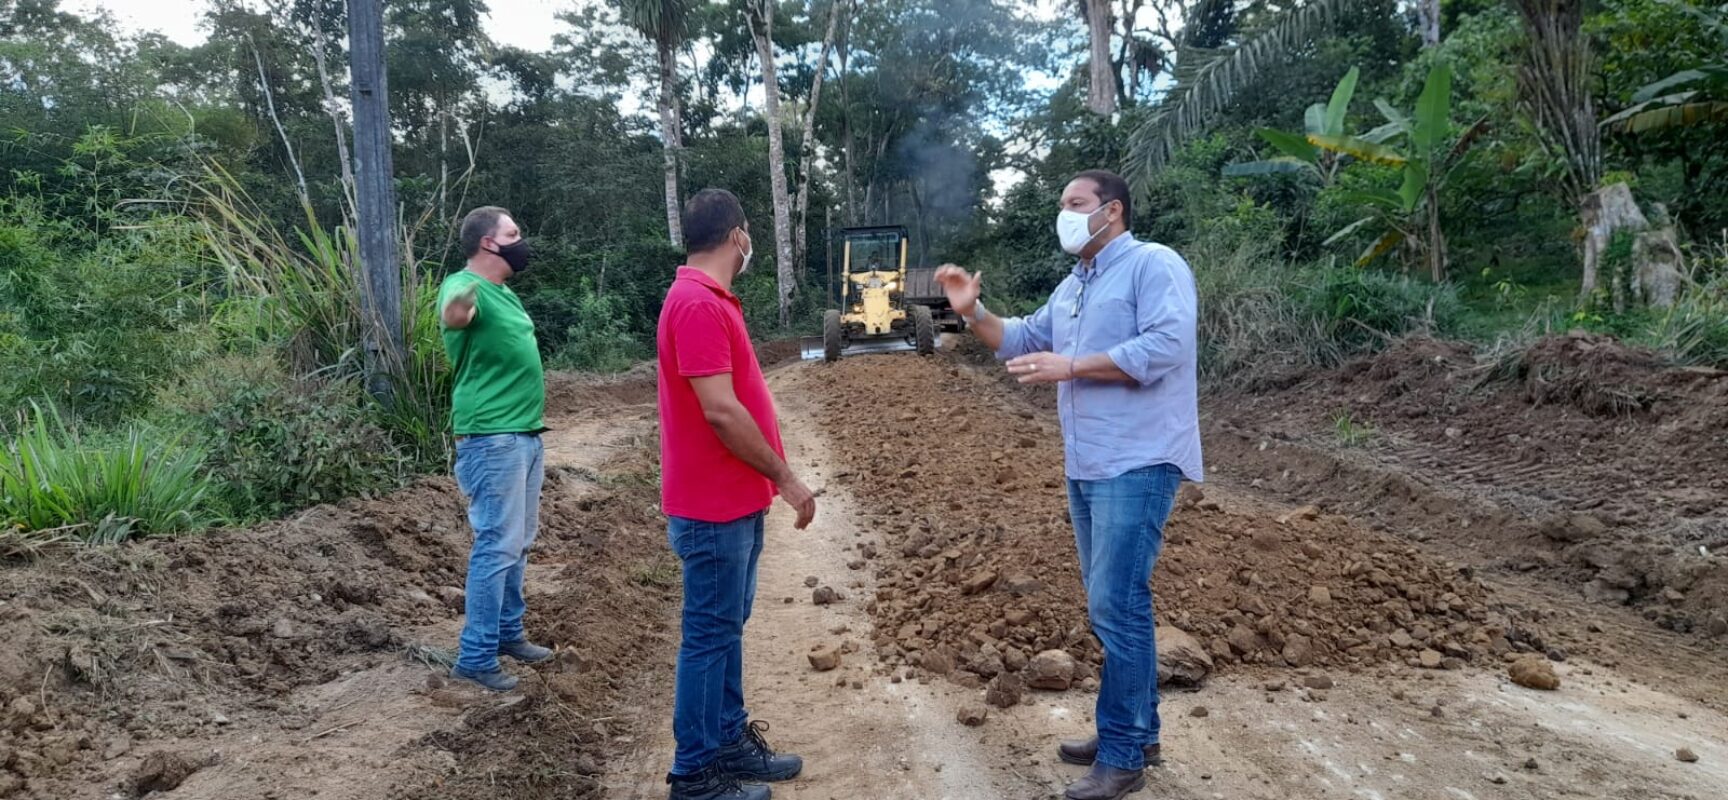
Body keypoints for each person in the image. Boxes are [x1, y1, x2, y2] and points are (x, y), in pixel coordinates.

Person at [935, 170, 1202, 800]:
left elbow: (1168, 344)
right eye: (1063, 206)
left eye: (1075, 205)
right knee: (1111, 601)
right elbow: (1024, 339)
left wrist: (1074, 366)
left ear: (1111, 211)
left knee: (1118, 604)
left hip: (1138, 461)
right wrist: (972, 312)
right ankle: (1140, 731)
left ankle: (1122, 755)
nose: (1065, 215)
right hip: (1089, 463)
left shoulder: (1152, 265)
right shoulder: (1075, 286)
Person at [656, 189, 817, 800]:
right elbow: (721, 412)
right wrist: (786, 477)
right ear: (738, 236)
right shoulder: (696, 303)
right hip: (713, 508)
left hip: (733, 502)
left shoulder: (714, 299)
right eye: (749, 235)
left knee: (725, 629)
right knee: (708, 634)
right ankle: (695, 775)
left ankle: (726, 743)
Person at [437, 205, 553, 692]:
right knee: (496, 544)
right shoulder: (465, 286)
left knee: (518, 541)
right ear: (489, 243)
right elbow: (455, 314)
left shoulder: (504, 293)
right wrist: (462, 299)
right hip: (492, 436)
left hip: (523, 434)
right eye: (513, 233)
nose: (521, 240)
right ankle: (476, 656)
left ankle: (507, 633)